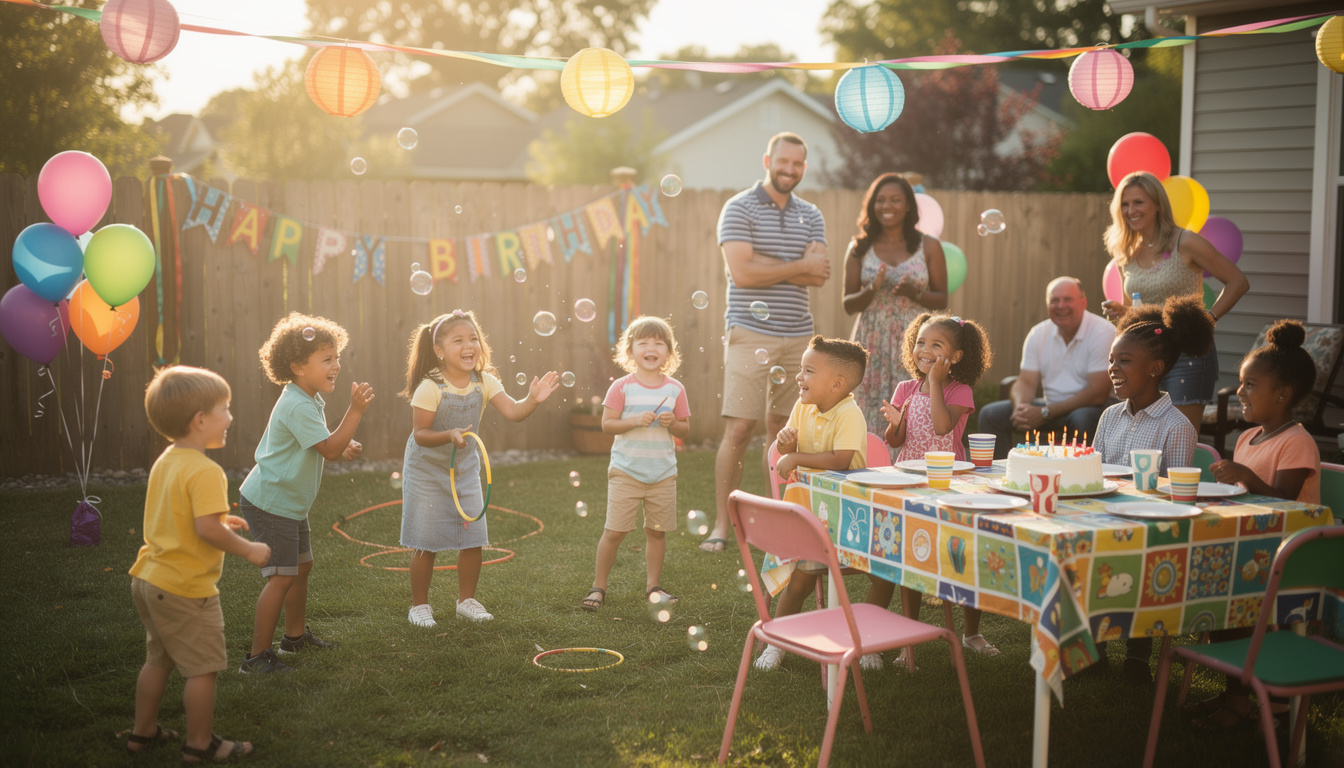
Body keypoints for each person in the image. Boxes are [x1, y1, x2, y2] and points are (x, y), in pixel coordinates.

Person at [128, 366, 270, 762]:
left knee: (157, 660)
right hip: (185, 589)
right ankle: (200, 743)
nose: (230, 417)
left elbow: (184, 515)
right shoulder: (207, 470)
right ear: (200, 420)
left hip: (149, 580)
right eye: (224, 409)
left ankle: (143, 733)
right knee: (202, 670)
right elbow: (205, 530)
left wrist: (222, 521)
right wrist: (246, 548)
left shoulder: (168, 460)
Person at [702, 131, 831, 553]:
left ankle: (779, 519)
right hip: (748, 331)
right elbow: (742, 274)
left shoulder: (811, 214)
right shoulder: (738, 208)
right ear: (767, 160)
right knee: (739, 428)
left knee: (783, 430)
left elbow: (819, 274)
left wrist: (768, 264)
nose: (789, 170)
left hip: (798, 335)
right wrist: (798, 264)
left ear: (804, 168)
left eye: (797, 164)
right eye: (783, 162)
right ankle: (723, 525)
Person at [1189, 320, 1322, 730]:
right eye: (1242, 383)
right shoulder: (1249, 438)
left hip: (1290, 559)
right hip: (1251, 548)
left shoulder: (1296, 441)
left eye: (1250, 385)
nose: (1240, 392)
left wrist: (1244, 476)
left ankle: (1245, 699)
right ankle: (1246, 692)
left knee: (1229, 597)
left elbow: (1283, 500)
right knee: (1207, 586)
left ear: (1282, 394)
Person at [401, 310, 559, 627]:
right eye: (458, 340)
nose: (469, 345)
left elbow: (514, 412)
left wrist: (532, 399)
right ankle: (419, 606)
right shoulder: (430, 386)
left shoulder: (484, 381)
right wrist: (449, 434)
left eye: (473, 338)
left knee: (473, 536)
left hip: (464, 469)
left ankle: (466, 600)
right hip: (426, 472)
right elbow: (421, 434)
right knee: (425, 540)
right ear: (440, 350)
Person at [238, 313, 374, 673]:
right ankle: (255, 658)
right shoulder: (298, 402)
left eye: (337, 357)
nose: (337, 365)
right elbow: (327, 448)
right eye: (327, 359)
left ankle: (294, 639)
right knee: (282, 576)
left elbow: (320, 442)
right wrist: (355, 412)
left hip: (288, 503)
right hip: (271, 503)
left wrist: (339, 444)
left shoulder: (305, 397)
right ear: (298, 366)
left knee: (301, 567)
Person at [1092, 295, 1215, 683]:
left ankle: (1137, 654)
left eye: (1124, 360)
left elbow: (1176, 493)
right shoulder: (1110, 415)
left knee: (1139, 559)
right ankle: (1092, 649)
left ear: (1156, 368)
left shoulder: (1176, 426)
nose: (1113, 368)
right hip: (1108, 516)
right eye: (1112, 359)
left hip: (1153, 528)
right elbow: (1094, 468)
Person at [883, 313, 999, 656]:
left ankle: (972, 633)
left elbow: (941, 427)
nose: (925, 349)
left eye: (936, 344)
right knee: (911, 559)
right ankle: (909, 640)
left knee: (963, 552)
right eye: (920, 342)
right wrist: (894, 422)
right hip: (909, 480)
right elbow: (896, 440)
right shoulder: (905, 388)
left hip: (949, 483)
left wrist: (934, 382)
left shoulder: (960, 390)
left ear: (956, 357)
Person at [753, 336, 870, 671]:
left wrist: (796, 456)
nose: (798, 377)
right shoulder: (803, 406)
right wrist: (785, 442)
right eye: (800, 369)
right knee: (800, 581)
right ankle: (777, 643)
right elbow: (788, 444)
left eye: (808, 371)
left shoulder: (850, 414)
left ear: (837, 384)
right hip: (810, 518)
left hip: (849, 518)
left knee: (884, 575)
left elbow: (841, 459)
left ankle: (867, 645)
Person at [1100, 171, 1249, 430]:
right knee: (1145, 437)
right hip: (1145, 357)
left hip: (1187, 353)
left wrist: (1207, 319)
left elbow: (1238, 281)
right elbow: (1136, 310)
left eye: (1138, 202)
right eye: (1124, 204)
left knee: (1180, 437)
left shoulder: (1186, 241)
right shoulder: (1126, 252)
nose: (1130, 210)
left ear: (1157, 204)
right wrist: (1122, 312)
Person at [581, 316, 691, 612]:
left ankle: (653, 587)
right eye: (643, 342)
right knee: (615, 532)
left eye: (659, 343)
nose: (651, 348)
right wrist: (633, 421)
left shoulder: (675, 390)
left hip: (663, 473)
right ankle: (598, 586)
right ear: (630, 351)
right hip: (626, 471)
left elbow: (685, 429)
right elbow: (607, 425)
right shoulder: (622, 387)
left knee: (656, 532)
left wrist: (672, 423)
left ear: (669, 352)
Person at [842, 172, 948, 429]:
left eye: (895, 200)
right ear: (871, 205)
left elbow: (941, 299)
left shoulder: (929, 246)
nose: (887, 206)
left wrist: (915, 293)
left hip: (915, 340)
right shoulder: (859, 248)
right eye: (880, 200)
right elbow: (848, 304)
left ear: (909, 205)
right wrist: (871, 289)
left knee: (912, 405)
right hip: (871, 340)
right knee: (869, 406)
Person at [978, 277, 1115, 458]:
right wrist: (1022, 409)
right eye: (1054, 300)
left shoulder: (1103, 331)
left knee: (1081, 417)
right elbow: (1025, 382)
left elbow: (1097, 393)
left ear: (1084, 302)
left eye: (1068, 299)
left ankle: (1077, 478)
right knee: (990, 414)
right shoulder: (1038, 334)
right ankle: (1003, 474)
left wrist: (1045, 413)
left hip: (1092, 407)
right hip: (1050, 408)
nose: (1061, 306)